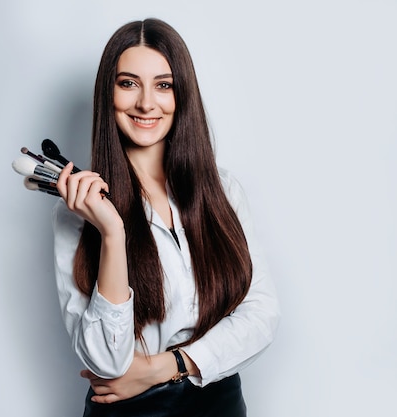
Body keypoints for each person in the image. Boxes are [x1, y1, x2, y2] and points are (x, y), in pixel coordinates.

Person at [52, 18, 279, 417]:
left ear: (181, 94)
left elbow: (261, 314)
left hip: (220, 404)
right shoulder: (80, 212)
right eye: (128, 83)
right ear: (109, 95)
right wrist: (112, 232)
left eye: (163, 84)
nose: (145, 103)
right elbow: (107, 362)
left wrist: (166, 366)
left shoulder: (222, 191)